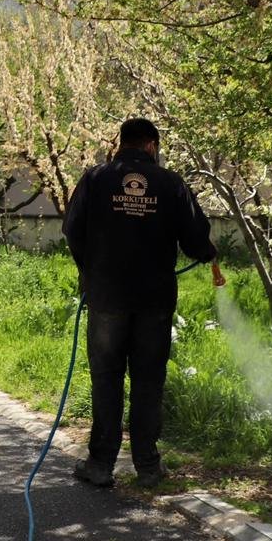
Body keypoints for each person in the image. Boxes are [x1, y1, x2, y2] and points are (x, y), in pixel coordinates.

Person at [62, 117, 216, 490]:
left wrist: (91, 270)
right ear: (151, 145)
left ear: (122, 142)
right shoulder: (171, 183)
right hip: (154, 300)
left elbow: (72, 229)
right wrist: (208, 253)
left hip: (107, 298)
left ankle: (101, 465)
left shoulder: (96, 178)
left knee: (106, 379)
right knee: (148, 380)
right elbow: (196, 237)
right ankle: (147, 466)